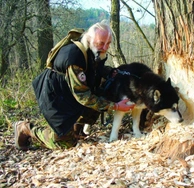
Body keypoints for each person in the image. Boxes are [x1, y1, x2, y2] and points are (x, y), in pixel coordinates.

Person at [13, 21, 135, 150]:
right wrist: (115, 106)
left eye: (108, 43)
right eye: (101, 43)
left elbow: (93, 69)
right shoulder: (74, 57)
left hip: (70, 91)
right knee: (64, 144)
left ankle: (76, 130)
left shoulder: (93, 50)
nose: (105, 47)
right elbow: (83, 96)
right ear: (89, 39)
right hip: (54, 93)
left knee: (102, 92)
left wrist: (110, 72)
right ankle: (25, 129)